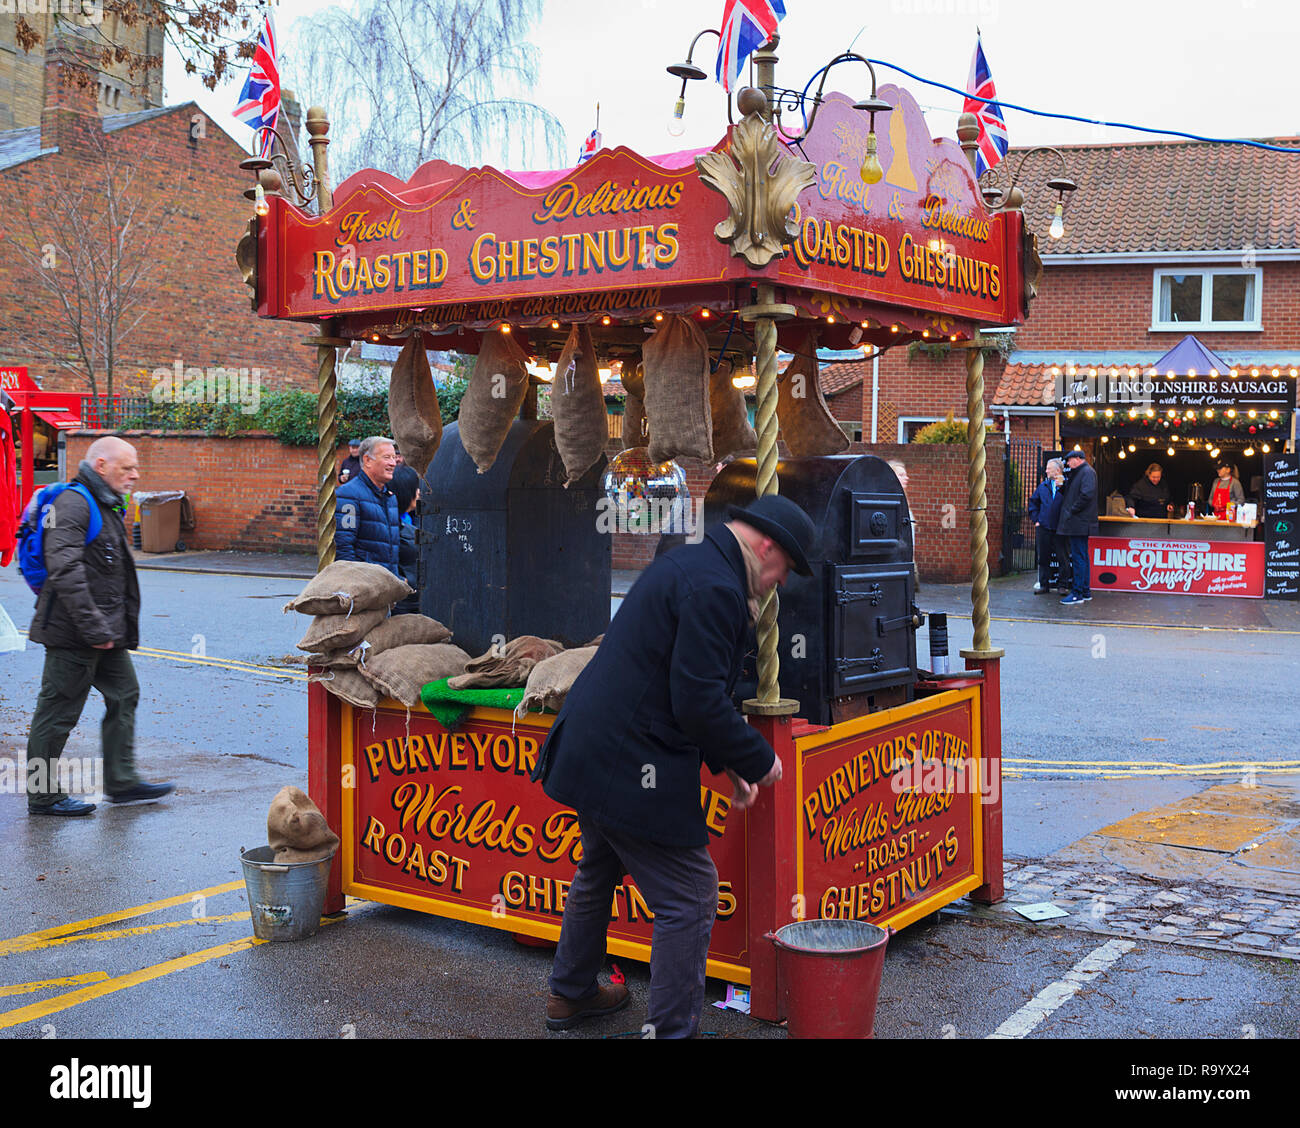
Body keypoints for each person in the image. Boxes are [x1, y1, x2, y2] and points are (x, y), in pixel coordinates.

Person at [531, 494, 816, 1038]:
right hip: (627, 757)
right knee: (690, 894)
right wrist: (757, 758)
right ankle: (670, 1030)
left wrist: (725, 760)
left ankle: (570, 994)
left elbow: (674, 682)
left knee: (599, 866)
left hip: (596, 744)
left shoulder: (692, 564)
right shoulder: (716, 588)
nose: (778, 584)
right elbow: (698, 701)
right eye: (783, 572)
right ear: (766, 546)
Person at [26, 436, 174, 816]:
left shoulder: (104, 502)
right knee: (57, 712)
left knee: (124, 694)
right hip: (75, 632)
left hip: (103, 633)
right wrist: (95, 628)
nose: (135, 475)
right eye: (127, 468)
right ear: (102, 466)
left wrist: (109, 629)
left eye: (135, 468)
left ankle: (121, 782)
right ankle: (43, 796)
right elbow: (64, 568)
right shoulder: (73, 503)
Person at [334, 436, 401, 576]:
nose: (393, 463)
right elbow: (343, 546)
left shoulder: (390, 497)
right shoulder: (348, 495)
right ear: (367, 460)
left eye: (394, 457)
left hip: (386, 586)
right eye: (387, 457)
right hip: (364, 587)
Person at [1057, 448, 1098, 606]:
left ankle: (1077, 593)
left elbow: (1086, 495)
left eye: (1069, 460)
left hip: (1079, 522)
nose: (1068, 463)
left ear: (1078, 459)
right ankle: (1085, 591)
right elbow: (1075, 493)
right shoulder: (1082, 472)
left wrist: (1071, 510)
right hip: (1079, 522)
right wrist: (1062, 486)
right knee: (1082, 557)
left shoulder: (1086, 472)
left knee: (1079, 557)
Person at [1027, 458, 1066, 594]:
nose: (1046, 470)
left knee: (1063, 557)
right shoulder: (1043, 486)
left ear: (1057, 470)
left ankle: (1063, 585)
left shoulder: (1065, 486)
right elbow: (1033, 503)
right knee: (1043, 557)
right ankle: (1044, 584)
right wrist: (1037, 520)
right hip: (1044, 527)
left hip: (1060, 528)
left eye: (1049, 468)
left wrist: (1062, 485)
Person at [389, 464, 421, 614]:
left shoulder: (407, 520)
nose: (419, 493)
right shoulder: (391, 526)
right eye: (415, 488)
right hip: (403, 604)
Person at [887, 459, 920, 593]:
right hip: (899, 556)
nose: (907, 477)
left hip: (907, 554)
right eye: (901, 475)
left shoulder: (902, 497)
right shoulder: (891, 498)